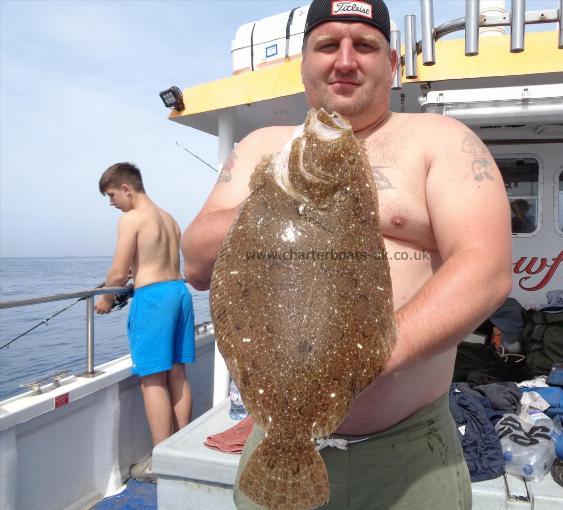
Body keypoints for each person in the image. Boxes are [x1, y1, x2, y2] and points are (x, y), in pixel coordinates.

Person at [182, 0, 512, 507]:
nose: (344, 59)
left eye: (364, 45)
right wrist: (281, 200)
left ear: (392, 64)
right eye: (327, 45)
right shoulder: (261, 148)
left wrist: (362, 359)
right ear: (303, 62)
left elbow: (485, 270)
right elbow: (198, 262)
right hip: (271, 438)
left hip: (409, 456)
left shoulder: (441, 141)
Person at [96, 162, 195, 481]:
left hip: (153, 299)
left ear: (127, 189)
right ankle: (183, 449)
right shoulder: (169, 218)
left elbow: (118, 271)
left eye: (111, 195)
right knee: (177, 372)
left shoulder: (132, 218)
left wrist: (106, 299)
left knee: (152, 379)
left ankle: (162, 462)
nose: (111, 203)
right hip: (179, 292)